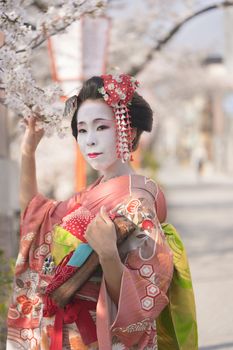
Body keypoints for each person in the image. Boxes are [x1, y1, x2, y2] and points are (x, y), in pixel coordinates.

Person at [7, 74, 197, 349]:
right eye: (82, 130)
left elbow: (141, 304)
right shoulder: (88, 196)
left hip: (99, 337)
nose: (90, 141)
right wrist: (28, 150)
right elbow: (37, 217)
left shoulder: (137, 204)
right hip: (65, 336)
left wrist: (108, 254)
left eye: (101, 127)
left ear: (128, 132)